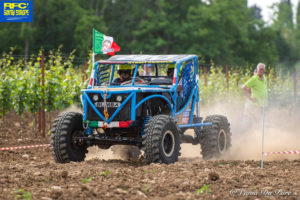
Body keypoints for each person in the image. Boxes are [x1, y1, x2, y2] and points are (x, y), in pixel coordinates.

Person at [242, 63, 268, 127]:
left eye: (263, 69)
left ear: (264, 70)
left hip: (263, 104)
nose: (261, 71)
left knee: (261, 122)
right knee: (254, 121)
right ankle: (247, 131)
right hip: (254, 105)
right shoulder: (254, 79)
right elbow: (244, 87)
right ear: (257, 70)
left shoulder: (264, 77)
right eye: (259, 69)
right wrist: (251, 99)